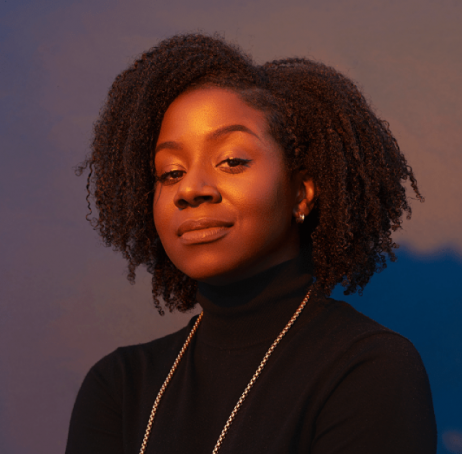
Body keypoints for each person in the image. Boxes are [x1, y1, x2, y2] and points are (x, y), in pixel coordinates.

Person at [65, 33, 436, 454]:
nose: (191, 189)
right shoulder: (119, 385)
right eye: (170, 172)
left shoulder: (369, 368)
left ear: (301, 192)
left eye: (231, 161)